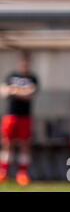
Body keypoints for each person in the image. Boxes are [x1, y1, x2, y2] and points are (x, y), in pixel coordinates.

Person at [0, 51, 39, 186]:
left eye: (27, 62)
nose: (24, 64)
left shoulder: (33, 78)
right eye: (22, 62)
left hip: (25, 117)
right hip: (10, 116)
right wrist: (21, 91)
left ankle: (22, 174)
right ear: (19, 63)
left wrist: (14, 91)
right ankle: (3, 172)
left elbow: (30, 94)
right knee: (7, 143)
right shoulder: (11, 76)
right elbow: (4, 92)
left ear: (29, 64)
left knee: (24, 144)